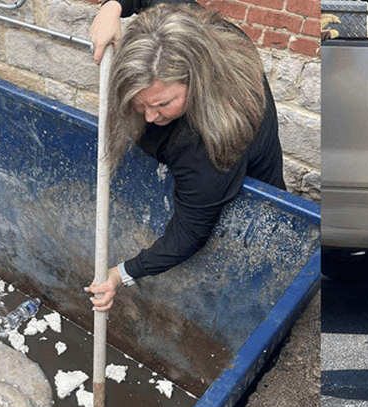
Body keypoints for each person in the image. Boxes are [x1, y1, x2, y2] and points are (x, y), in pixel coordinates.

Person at [85, 1, 285, 312]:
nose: (150, 116)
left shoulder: (210, 140)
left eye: (163, 103)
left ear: (195, 80)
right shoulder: (179, 24)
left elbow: (189, 232)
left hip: (250, 199)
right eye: (140, 104)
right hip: (199, 165)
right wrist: (112, 7)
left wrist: (120, 274)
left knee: (252, 279)